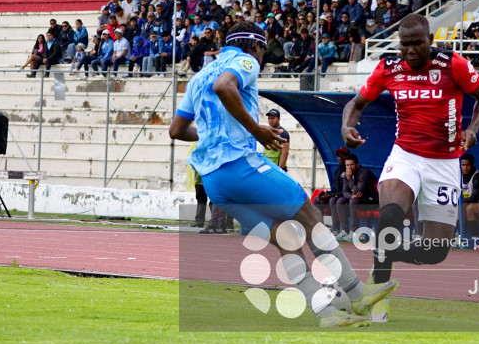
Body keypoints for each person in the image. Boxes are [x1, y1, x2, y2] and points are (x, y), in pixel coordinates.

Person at [169, 21, 398, 327]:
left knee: (286, 238)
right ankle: (357, 294)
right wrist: (255, 129)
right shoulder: (245, 60)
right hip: (239, 164)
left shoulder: (199, 77)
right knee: (310, 217)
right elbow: (225, 86)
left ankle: (326, 313)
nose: (262, 58)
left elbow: (177, 130)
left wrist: (213, 134)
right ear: (256, 45)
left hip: (213, 182)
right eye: (264, 51)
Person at [342, 14, 479, 288]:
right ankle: (376, 292)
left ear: (430, 40)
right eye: (405, 44)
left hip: (445, 162)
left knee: (434, 252)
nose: (410, 50)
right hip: (406, 155)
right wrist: (346, 127)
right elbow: (356, 103)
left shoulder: (453, 64)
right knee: (390, 216)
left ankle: (385, 251)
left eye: (417, 43)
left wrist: (473, 129)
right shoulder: (389, 68)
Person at [335, 154, 379, 240]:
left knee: (353, 201)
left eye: (351, 165)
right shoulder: (347, 173)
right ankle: (344, 230)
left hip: (371, 199)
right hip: (358, 198)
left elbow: (358, 191)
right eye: (347, 165)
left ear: (357, 165)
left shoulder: (364, 173)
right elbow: (345, 191)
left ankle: (354, 232)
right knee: (340, 201)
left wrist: (349, 178)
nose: (349, 167)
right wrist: (351, 196)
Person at [460, 153, 479, 240]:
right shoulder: (460, 176)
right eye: (463, 165)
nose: (465, 168)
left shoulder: (478, 177)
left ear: (472, 165)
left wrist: (459, 201)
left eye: (468, 165)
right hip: (471, 205)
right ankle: (461, 235)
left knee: (464, 206)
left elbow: (474, 198)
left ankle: (474, 236)